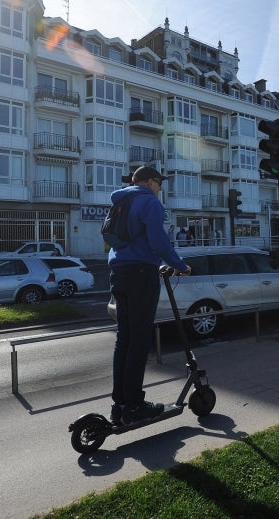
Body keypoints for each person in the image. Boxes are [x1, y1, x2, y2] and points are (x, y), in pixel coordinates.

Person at [108, 166, 191, 425]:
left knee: (124, 339)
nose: (161, 188)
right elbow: (158, 241)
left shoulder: (121, 201)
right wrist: (180, 265)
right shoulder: (149, 202)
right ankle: (134, 405)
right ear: (150, 182)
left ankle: (119, 403)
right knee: (140, 339)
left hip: (118, 273)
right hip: (141, 274)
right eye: (159, 183)